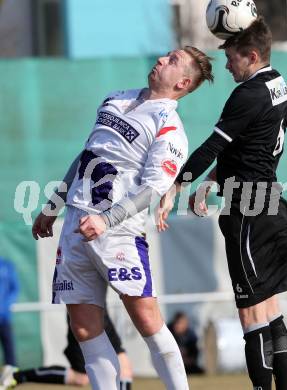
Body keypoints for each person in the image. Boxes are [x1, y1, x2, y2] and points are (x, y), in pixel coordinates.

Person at [31, 46, 214, 390]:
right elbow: (87, 155)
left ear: (183, 83)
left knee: (147, 321)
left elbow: (151, 189)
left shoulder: (170, 127)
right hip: (75, 224)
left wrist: (107, 220)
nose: (162, 60)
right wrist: (54, 203)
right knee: (83, 327)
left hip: (119, 233)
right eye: (166, 56)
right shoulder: (115, 98)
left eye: (172, 61)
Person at [158, 19, 287, 390]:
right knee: (270, 308)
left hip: (248, 210)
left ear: (251, 56)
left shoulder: (246, 94)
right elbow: (251, 146)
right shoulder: (277, 84)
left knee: (251, 312)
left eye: (232, 58)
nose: (228, 65)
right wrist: (215, 179)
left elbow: (212, 146)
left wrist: (176, 187)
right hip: (271, 202)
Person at [0, 309, 132, 389]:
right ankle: (16, 376)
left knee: (123, 367)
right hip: (84, 314)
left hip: (100, 312)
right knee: (81, 377)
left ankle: (16, 375)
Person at [0, 257, 19, 368]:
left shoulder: (6, 266)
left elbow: (15, 288)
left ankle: (12, 375)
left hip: (4, 317)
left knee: (9, 349)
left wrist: (4, 307)